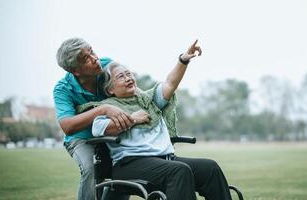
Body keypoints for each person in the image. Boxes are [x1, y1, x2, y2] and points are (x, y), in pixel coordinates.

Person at [86, 40, 233, 200]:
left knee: (209, 168)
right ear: (110, 89)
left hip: (166, 160)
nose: (128, 78)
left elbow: (170, 83)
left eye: (129, 74)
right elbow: (99, 129)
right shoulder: (107, 106)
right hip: (130, 164)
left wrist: (183, 60)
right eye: (121, 76)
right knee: (179, 171)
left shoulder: (149, 100)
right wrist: (133, 119)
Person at [53, 38, 136, 200]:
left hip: (110, 133)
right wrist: (103, 109)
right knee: (92, 169)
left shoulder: (108, 66)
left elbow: (131, 90)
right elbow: (67, 126)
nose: (95, 58)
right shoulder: (62, 89)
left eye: (92, 51)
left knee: (126, 165)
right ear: (75, 70)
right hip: (80, 139)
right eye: (86, 59)